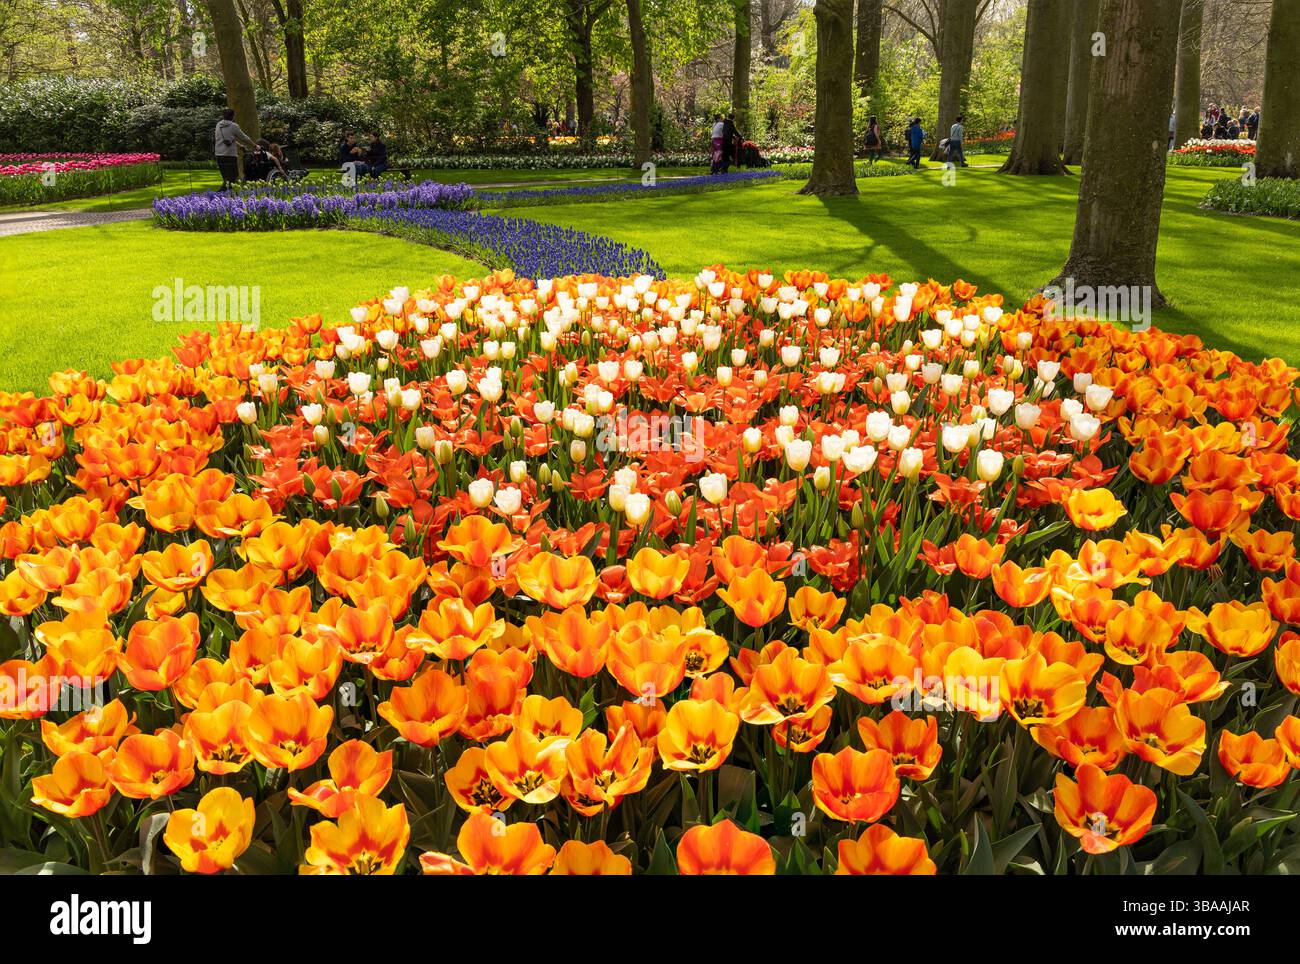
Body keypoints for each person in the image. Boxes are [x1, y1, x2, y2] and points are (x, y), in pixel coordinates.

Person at [213, 108, 258, 192]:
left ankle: (227, 196)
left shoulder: (218, 125)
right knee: (232, 178)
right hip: (229, 155)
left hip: (219, 155)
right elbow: (244, 137)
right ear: (233, 116)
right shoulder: (234, 126)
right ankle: (217, 195)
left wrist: (240, 146)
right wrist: (254, 145)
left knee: (226, 178)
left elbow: (227, 138)